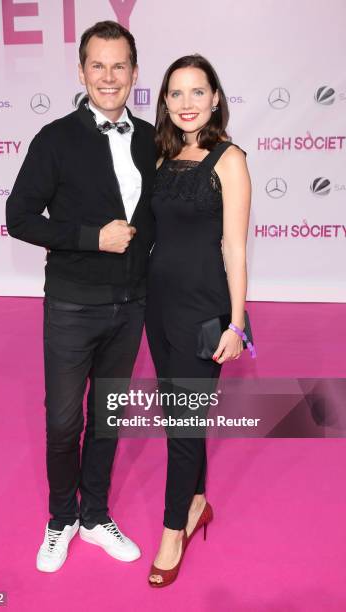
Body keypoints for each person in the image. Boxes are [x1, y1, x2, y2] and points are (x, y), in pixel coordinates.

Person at [6, 21, 156, 572]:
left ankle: (94, 515)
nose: (109, 76)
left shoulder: (149, 138)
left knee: (108, 417)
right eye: (98, 65)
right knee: (65, 421)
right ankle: (60, 517)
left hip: (131, 306)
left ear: (135, 73)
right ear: (81, 71)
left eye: (120, 66)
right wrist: (91, 239)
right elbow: (17, 217)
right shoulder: (54, 138)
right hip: (71, 304)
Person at [145, 54, 251, 587]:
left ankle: (172, 531)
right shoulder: (163, 158)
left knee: (183, 429)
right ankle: (199, 502)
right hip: (157, 307)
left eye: (197, 92)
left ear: (214, 97)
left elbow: (235, 247)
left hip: (205, 313)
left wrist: (236, 325)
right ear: (165, 101)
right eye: (176, 93)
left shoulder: (229, 159)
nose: (187, 103)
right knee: (179, 418)